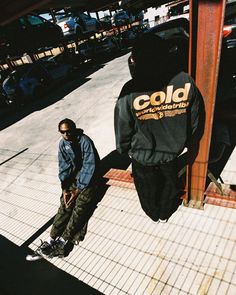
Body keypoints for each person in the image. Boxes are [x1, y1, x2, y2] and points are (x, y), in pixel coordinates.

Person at [114, 34, 204, 223]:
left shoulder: (130, 89)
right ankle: (165, 213)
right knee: (170, 186)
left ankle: (153, 215)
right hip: (172, 153)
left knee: (147, 190)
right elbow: (195, 119)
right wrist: (187, 142)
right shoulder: (185, 81)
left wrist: (124, 149)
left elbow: (123, 126)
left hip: (142, 157)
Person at [26, 118, 100, 261]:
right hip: (74, 177)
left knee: (80, 207)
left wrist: (78, 190)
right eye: (62, 132)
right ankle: (51, 238)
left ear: (74, 129)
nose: (66, 135)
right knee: (65, 205)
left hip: (90, 177)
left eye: (68, 131)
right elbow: (64, 166)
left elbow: (90, 165)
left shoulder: (85, 141)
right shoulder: (63, 144)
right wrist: (65, 188)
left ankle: (63, 241)